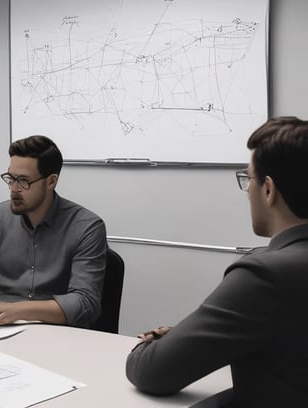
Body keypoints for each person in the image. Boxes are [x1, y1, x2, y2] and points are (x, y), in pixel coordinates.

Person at [126, 116, 308, 406]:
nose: (247, 190)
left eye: (248, 178)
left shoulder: (265, 275)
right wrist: (201, 340)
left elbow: (153, 372)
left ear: (268, 189)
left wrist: (146, 349)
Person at [0, 134, 106, 327]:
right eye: (10, 179)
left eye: (23, 181)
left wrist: (17, 310)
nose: (14, 189)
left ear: (51, 181)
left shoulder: (86, 227)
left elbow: (85, 304)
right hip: (2, 331)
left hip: (60, 336)